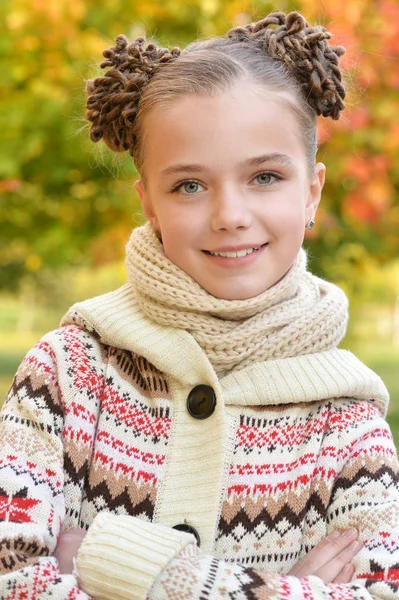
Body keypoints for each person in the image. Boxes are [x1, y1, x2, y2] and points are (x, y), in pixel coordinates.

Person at [0, 9, 398, 600]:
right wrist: (279, 591)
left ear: (312, 191)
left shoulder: (348, 419)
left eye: (265, 176)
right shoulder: (67, 374)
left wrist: (135, 568)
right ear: (149, 204)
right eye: (189, 185)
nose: (230, 215)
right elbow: (13, 578)